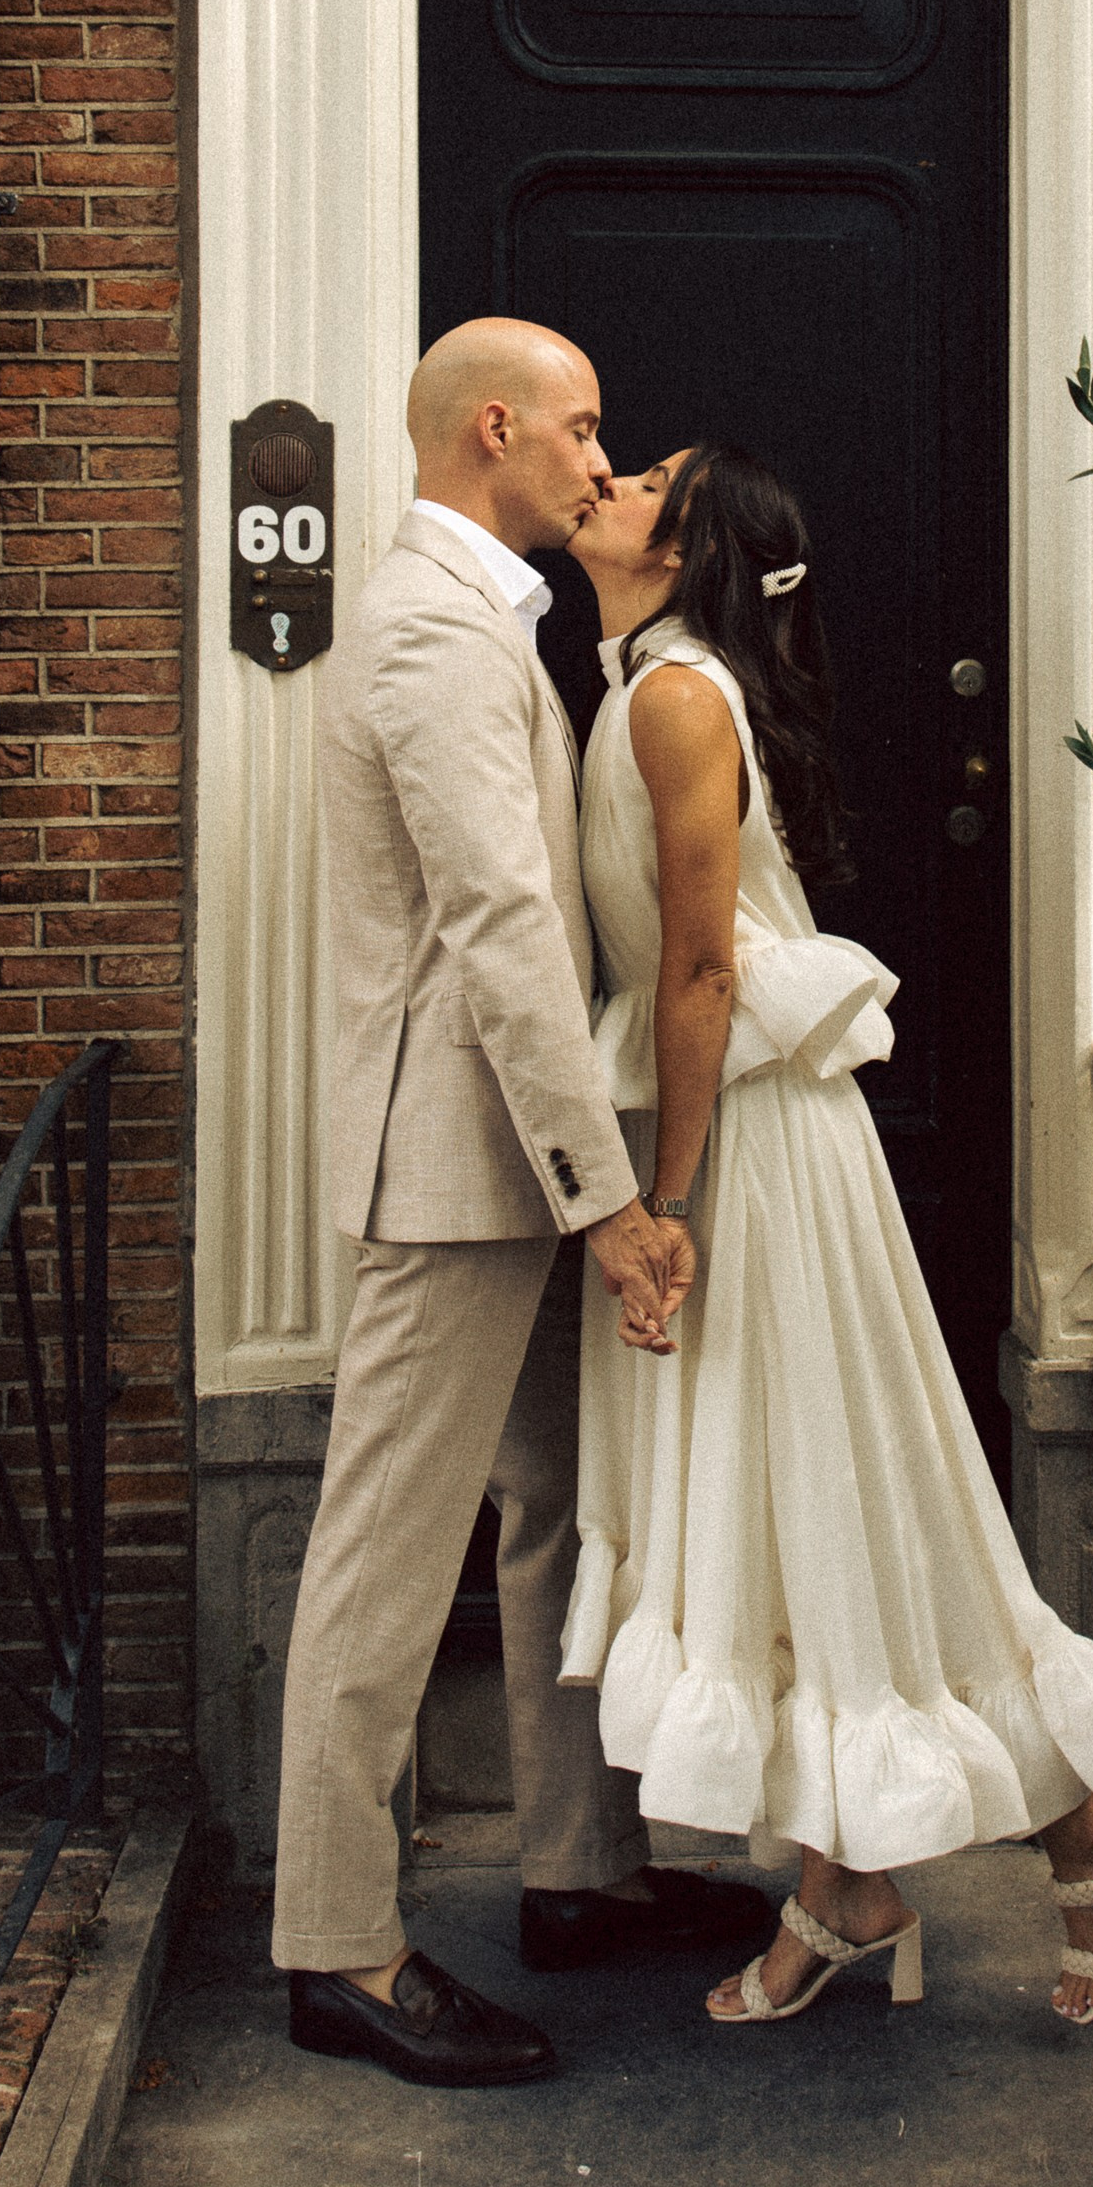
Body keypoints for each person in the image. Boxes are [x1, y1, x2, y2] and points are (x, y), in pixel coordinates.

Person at [561, 443, 1093, 2027]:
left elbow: (703, 973)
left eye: (644, 479)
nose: (609, 479)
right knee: (793, 1503)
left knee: (844, 1484)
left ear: (688, 550)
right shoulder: (649, 676)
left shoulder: (674, 697)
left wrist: (674, 1205)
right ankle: (858, 1873)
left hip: (752, 1153)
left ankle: (1078, 1819)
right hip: (728, 1131)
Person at [273, 325, 769, 2089]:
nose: (595, 453)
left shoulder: (494, 624)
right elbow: (496, 934)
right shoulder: (422, 634)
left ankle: (580, 1870)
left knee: (560, 1516)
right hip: (457, 1175)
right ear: (496, 429)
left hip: (518, 1170)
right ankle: (336, 1941)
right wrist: (611, 1201)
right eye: (581, 424)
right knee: (386, 1558)